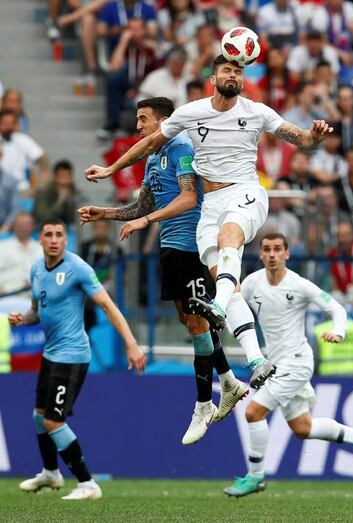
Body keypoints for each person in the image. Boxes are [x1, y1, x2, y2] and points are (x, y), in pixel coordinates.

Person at [83, 54, 333, 389]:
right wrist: (112, 170)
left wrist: (314, 138)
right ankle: (256, 360)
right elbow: (149, 143)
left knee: (228, 241)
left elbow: (301, 138)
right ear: (213, 78)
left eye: (238, 71)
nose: (233, 75)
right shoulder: (191, 113)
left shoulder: (257, 111)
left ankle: (215, 307)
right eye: (227, 70)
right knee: (229, 288)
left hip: (245, 192)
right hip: (211, 206)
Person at [78, 97, 248, 445]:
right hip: (170, 249)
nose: (138, 126)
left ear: (164, 120)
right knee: (190, 323)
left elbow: (188, 198)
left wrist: (146, 221)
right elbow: (143, 204)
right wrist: (105, 214)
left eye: (144, 119)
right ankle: (229, 381)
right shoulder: (154, 157)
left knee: (198, 323)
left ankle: (204, 403)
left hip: (191, 247)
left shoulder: (183, 147)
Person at [223, 233, 353, 498]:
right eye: (267, 249)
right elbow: (235, 308)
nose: (273, 254)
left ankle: (255, 477)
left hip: (297, 363)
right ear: (262, 254)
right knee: (303, 428)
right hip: (274, 364)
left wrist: (339, 331)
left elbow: (337, 309)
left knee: (253, 413)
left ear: (287, 254)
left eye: (278, 249)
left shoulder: (299, 285)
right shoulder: (251, 283)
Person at [9, 218, 146, 500]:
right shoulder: (36, 269)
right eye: (49, 234)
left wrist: (132, 345)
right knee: (39, 417)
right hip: (51, 353)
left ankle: (87, 483)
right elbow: (38, 311)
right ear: (41, 239)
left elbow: (108, 306)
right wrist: (23, 320)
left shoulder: (78, 268)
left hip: (72, 355)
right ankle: (50, 472)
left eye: (60, 234)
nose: (55, 239)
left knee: (53, 422)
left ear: (66, 240)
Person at [33, 160, 80, 227]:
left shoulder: (72, 189)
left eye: (68, 177)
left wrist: (69, 202)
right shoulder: (42, 191)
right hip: (42, 227)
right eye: (63, 176)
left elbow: (72, 219)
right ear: (55, 176)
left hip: (64, 227)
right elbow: (44, 217)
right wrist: (60, 201)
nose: (65, 181)